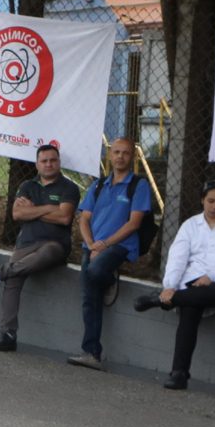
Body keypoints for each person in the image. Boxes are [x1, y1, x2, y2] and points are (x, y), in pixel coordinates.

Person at [130, 180, 215, 388]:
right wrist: (170, 286)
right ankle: (179, 373)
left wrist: (211, 275)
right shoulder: (190, 225)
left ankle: (161, 300)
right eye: (210, 201)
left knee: (209, 294)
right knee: (190, 307)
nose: (214, 207)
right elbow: (178, 258)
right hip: (192, 280)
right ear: (202, 200)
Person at [0, 142, 79, 352]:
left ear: (59, 162)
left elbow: (65, 217)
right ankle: (8, 335)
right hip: (26, 244)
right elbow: (18, 214)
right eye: (44, 161)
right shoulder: (27, 186)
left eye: (53, 160)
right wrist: (50, 208)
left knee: (45, 253)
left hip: (54, 244)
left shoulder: (69, 188)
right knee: (14, 279)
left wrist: (35, 209)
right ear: (37, 164)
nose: (49, 164)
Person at [70, 137, 156, 367]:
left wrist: (104, 245)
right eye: (116, 152)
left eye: (125, 153)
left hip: (120, 246)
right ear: (109, 155)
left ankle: (109, 277)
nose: (120, 156)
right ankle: (91, 353)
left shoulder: (138, 185)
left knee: (95, 272)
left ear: (132, 157)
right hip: (95, 246)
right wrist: (92, 244)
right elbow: (84, 218)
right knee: (90, 297)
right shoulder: (98, 185)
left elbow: (134, 224)